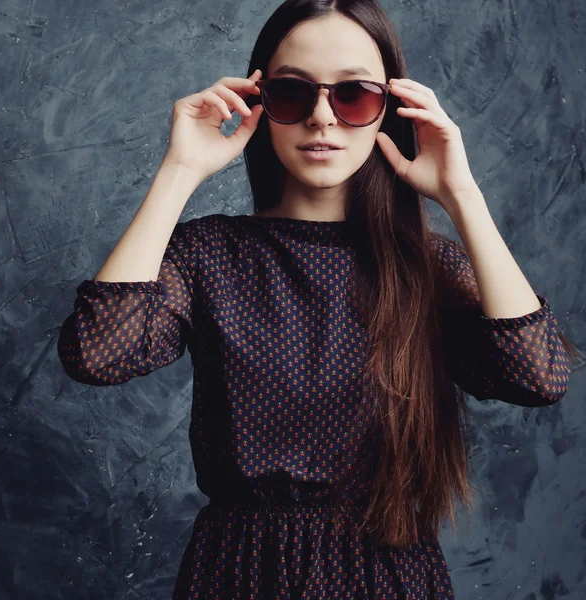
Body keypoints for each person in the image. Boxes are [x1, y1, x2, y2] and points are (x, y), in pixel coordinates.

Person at [57, 0, 582, 597]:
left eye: (353, 95)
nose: (322, 118)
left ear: (390, 108)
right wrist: (179, 169)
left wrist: (461, 194)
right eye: (291, 94)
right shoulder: (207, 253)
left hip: (389, 573)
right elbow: (97, 356)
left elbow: (538, 376)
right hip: (238, 574)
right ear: (259, 104)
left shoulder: (425, 266)